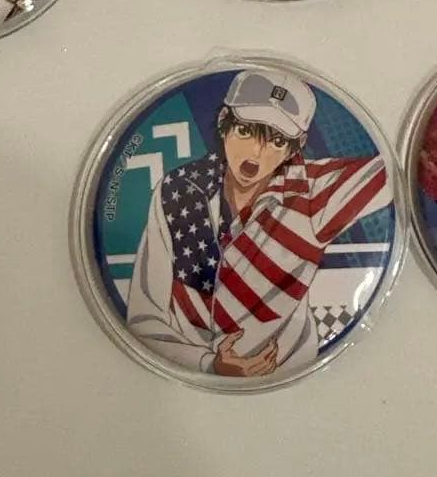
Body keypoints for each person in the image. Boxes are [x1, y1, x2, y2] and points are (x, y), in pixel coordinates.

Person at [126, 69, 389, 377]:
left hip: (295, 375)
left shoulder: (313, 193)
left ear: (296, 146)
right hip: (179, 375)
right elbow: (143, 318)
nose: (257, 151)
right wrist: (208, 364)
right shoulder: (178, 191)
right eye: (246, 131)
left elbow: (396, 175)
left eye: (277, 140)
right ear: (223, 122)